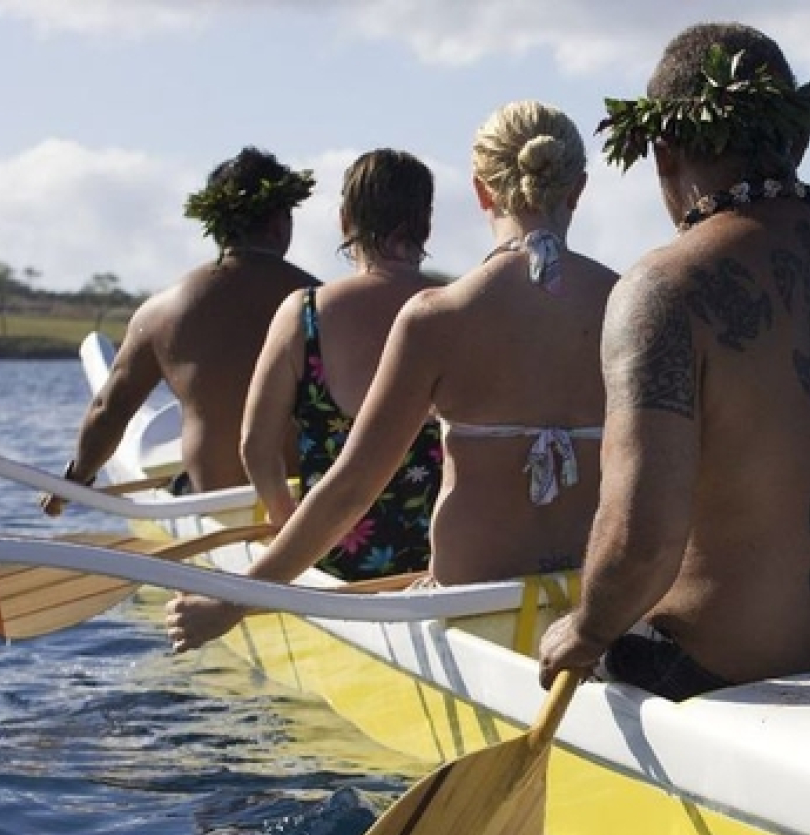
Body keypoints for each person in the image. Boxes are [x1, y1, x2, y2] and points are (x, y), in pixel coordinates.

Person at [537, 23, 810, 700]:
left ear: (663, 153)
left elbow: (642, 541)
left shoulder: (664, 288)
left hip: (734, 668)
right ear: (798, 142)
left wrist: (585, 631)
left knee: (591, 634)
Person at [167, 101, 616, 652]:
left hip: (471, 609)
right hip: (595, 600)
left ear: (481, 192)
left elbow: (351, 490)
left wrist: (229, 604)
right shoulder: (631, 302)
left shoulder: (438, 317)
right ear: (578, 189)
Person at [42, 147, 318, 513]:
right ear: (280, 223)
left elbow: (110, 409)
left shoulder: (163, 312)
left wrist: (74, 481)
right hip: (311, 508)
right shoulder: (325, 302)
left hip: (217, 508)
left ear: (215, 225)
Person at [239, 149, 443, 581]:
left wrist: (284, 521)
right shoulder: (459, 309)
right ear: (426, 224)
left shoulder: (304, 314)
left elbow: (256, 446)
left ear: (345, 220)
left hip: (330, 559)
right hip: (443, 561)